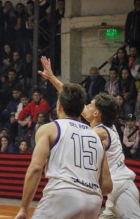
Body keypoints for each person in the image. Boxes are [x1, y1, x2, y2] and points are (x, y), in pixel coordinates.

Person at [39, 56, 140, 219]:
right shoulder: (105, 124)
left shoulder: (100, 132)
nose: (85, 107)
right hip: (113, 192)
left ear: (95, 113)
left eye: (89, 105)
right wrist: (52, 78)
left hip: (122, 190)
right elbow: (71, 98)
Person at [15, 82, 112, 219]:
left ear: (59, 106)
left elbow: (35, 168)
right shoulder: (96, 137)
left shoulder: (50, 128)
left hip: (63, 194)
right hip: (93, 201)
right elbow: (107, 186)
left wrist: (24, 209)